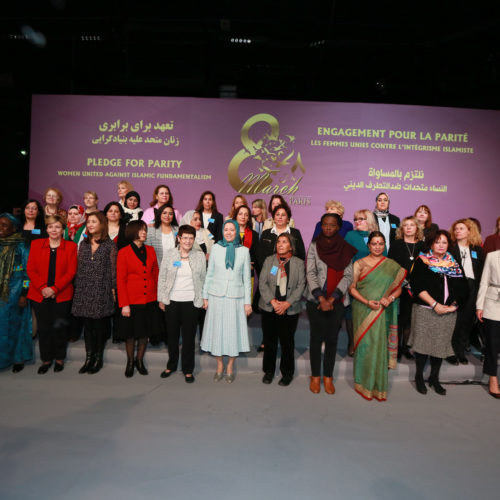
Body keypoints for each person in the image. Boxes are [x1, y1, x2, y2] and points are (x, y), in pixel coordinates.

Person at [408, 230, 468, 395]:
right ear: (431, 244)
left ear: (448, 245)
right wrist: (435, 304)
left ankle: (434, 379)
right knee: (423, 346)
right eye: (437, 242)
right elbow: (417, 286)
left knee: (440, 347)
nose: (441, 245)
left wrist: (454, 305)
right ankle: (419, 377)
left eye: (444, 242)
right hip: (426, 310)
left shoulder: (453, 263)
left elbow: (463, 288)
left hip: (448, 312)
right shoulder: (423, 261)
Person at [349, 231, 406, 401]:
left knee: (379, 346)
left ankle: (378, 386)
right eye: (374, 243)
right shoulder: (359, 263)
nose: (377, 246)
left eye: (381, 243)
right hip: (363, 309)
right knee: (365, 347)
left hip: (383, 310)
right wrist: (367, 302)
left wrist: (391, 298)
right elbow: (352, 288)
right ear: (368, 246)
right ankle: (362, 383)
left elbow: (398, 287)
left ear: (385, 245)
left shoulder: (392, 265)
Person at [306, 214, 356, 394]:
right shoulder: (313, 246)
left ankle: (328, 377)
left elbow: (348, 275)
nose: (328, 228)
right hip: (315, 301)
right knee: (315, 339)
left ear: (338, 227)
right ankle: (315, 376)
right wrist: (321, 298)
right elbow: (310, 273)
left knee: (332, 340)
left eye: (332, 225)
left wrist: (332, 298)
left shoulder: (345, 248)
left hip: (338, 301)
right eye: (325, 225)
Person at [200, 220, 252, 382]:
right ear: (222, 231)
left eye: (232, 230)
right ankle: (219, 365)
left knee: (232, 333)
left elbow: (247, 279)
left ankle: (230, 365)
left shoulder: (244, 251)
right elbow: (210, 274)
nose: (229, 232)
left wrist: (247, 302)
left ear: (237, 232)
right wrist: (205, 296)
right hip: (216, 296)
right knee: (217, 332)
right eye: (226, 230)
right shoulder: (216, 248)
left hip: (236, 297)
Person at [27, 215, 77, 374]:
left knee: (59, 327)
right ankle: (46, 359)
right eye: (50, 227)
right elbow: (31, 269)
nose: (53, 230)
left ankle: (60, 358)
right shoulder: (36, 244)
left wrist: (54, 289)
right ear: (46, 229)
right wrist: (43, 287)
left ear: (63, 230)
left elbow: (71, 272)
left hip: (61, 294)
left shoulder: (70, 246)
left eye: (57, 227)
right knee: (44, 328)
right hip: (39, 293)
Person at [158, 225, 206, 383]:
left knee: (188, 338)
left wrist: (204, 298)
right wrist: (161, 298)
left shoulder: (199, 256)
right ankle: (171, 365)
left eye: (191, 238)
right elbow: (162, 277)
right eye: (184, 237)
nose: (187, 241)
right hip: (172, 301)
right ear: (178, 238)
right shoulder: (170, 254)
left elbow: (204, 279)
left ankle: (188, 369)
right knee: (172, 336)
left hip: (192, 302)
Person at [71, 211, 116, 374]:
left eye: (94, 222)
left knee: (99, 327)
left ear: (102, 225)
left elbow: (113, 270)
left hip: (101, 291)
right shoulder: (83, 244)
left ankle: (98, 358)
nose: (90, 225)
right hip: (84, 289)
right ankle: (88, 358)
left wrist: (113, 290)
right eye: (88, 222)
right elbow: (78, 268)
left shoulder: (109, 245)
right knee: (87, 327)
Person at [259, 233, 305, 386]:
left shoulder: (298, 263)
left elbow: (301, 286)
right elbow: (262, 283)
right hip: (269, 307)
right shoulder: (269, 260)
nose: (280, 244)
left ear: (290, 246)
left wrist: (287, 303)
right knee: (270, 341)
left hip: (289, 309)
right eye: (278, 241)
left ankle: (287, 373)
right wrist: (273, 301)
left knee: (287, 343)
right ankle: (269, 371)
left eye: (284, 242)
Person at [117, 220, 159, 377]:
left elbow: (155, 273)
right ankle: (130, 362)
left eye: (145, 230)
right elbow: (121, 280)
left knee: (144, 334)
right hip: (132, 300)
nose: (144, 233)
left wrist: (158, 296)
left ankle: (139, 361)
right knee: (130, 335)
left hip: (149, 299)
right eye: (141, 230)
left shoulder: (151, 250)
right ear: (133, 231)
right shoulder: (124, 252)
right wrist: (124, 304)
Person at [447, 218, 485, 365]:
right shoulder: (450, 248)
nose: (458, 231)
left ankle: (460, 351)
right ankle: (450, 352)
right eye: (456, 229)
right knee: (453, 321)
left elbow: (481, 272)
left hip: (473, 287)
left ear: (469, 231)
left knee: (467, 321)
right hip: (455, 287)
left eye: (461, 228)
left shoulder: (477, 249)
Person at [388, 216, 424, 360]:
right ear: (402, 229)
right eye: (406, 225)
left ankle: (405, 347)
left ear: (417, 228)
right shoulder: (397, 244)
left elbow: (425, 268)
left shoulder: (422, 246)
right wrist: (402, 282)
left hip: (416, 289)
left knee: (409, 319)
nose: (408, 228)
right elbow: (390, 265)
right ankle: (395, 348)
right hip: (398, 287)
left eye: (412, 225)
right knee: (398, 318)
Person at [0, 214, 32, 372]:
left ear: (14, 228)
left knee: (15, 327)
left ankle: (17, 359)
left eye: (5, 225)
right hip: (1, 291)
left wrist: (24, 293)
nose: (1, 228)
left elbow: (28, 273)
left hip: (16, 291)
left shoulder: (21, 245)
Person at [476, 250, 500, 398]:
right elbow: (484, 281)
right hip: (493, 303)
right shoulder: (492, 256)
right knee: (492, 343)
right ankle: (493, 378)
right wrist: (480, 305)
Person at [234, 205, 260, 276]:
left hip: (248, 270)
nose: (243, 217)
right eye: (240, 214)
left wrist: (250, 263)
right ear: (236, 216)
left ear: (248, 218)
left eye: (246, 215)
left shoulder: (254, 234)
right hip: (232, 271)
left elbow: (256, 255)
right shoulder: (230, 233)